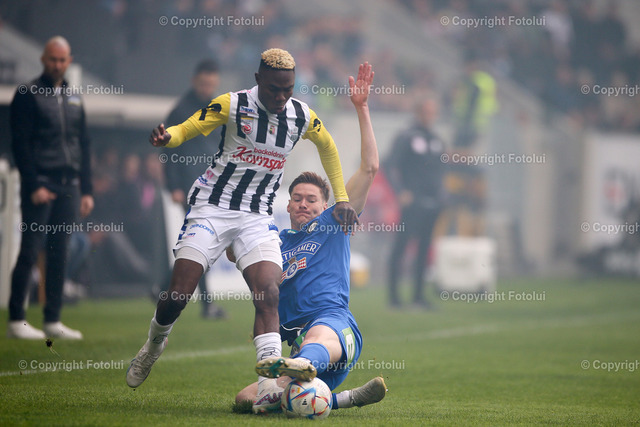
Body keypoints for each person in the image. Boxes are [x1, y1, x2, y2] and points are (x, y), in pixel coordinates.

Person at [126, 49, 360, 412]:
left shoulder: (301, 115)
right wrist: (167, 137)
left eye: (288, 89)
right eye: (274, 89)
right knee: (179, 294)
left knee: (268, 291)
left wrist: (341, 197)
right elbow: (188, 128)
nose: (281, 97)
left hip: (256, 215)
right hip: (212, 207)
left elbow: (328, 147)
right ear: (258, 80)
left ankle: (268, 384)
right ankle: (154, 345)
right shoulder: (231, 105)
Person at [235, 62, 386, 414]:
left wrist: (362, 108)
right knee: (245, 400)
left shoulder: (334, 222)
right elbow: (234, 249)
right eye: (297, 198)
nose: (304, 204)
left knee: (314, 343)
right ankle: (343, 398)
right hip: (296, 345)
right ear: (287, 205)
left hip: (333, 329)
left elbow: (369, 168)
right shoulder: (273, 241)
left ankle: (303, 366)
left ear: (324, 205)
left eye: (311, 200)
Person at [8, 36, 93, 340]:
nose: (57, 65)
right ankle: (16, 320)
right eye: (53, 59)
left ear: (69, 61)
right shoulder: (27, 94)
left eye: (62, 60)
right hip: (41, 182)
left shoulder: (74, 97)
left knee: (60, 252)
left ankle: (52, 319)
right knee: (30, 250)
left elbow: (83, 144)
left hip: (70, 185)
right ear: (43, 59)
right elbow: (20, 144)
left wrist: (87, 189)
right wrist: (33, 184)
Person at [161, 59, 226, 319]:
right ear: (194, 81)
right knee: (200, 244)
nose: (206, 88)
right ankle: (207, 304)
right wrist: (174, 186)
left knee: (201, 244)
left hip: (214, 185)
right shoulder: (179, 111)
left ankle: (160, 285)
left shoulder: (218, 108)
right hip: (190, 188)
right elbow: (169, 151)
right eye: (203, 83)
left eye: (211, 84)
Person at [385, 97, 446, 309]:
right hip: (412, 202)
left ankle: (418, 296)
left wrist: (442, 194)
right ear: (418, 112)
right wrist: (400, 191)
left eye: (433, 112)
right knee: (402, 246)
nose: (430, 116)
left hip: (433, 202)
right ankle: (394, 297)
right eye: (427, 112)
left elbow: (441, 170)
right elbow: (389, 165)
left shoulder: (437, 140)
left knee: (425, 248)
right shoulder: (406, 137)